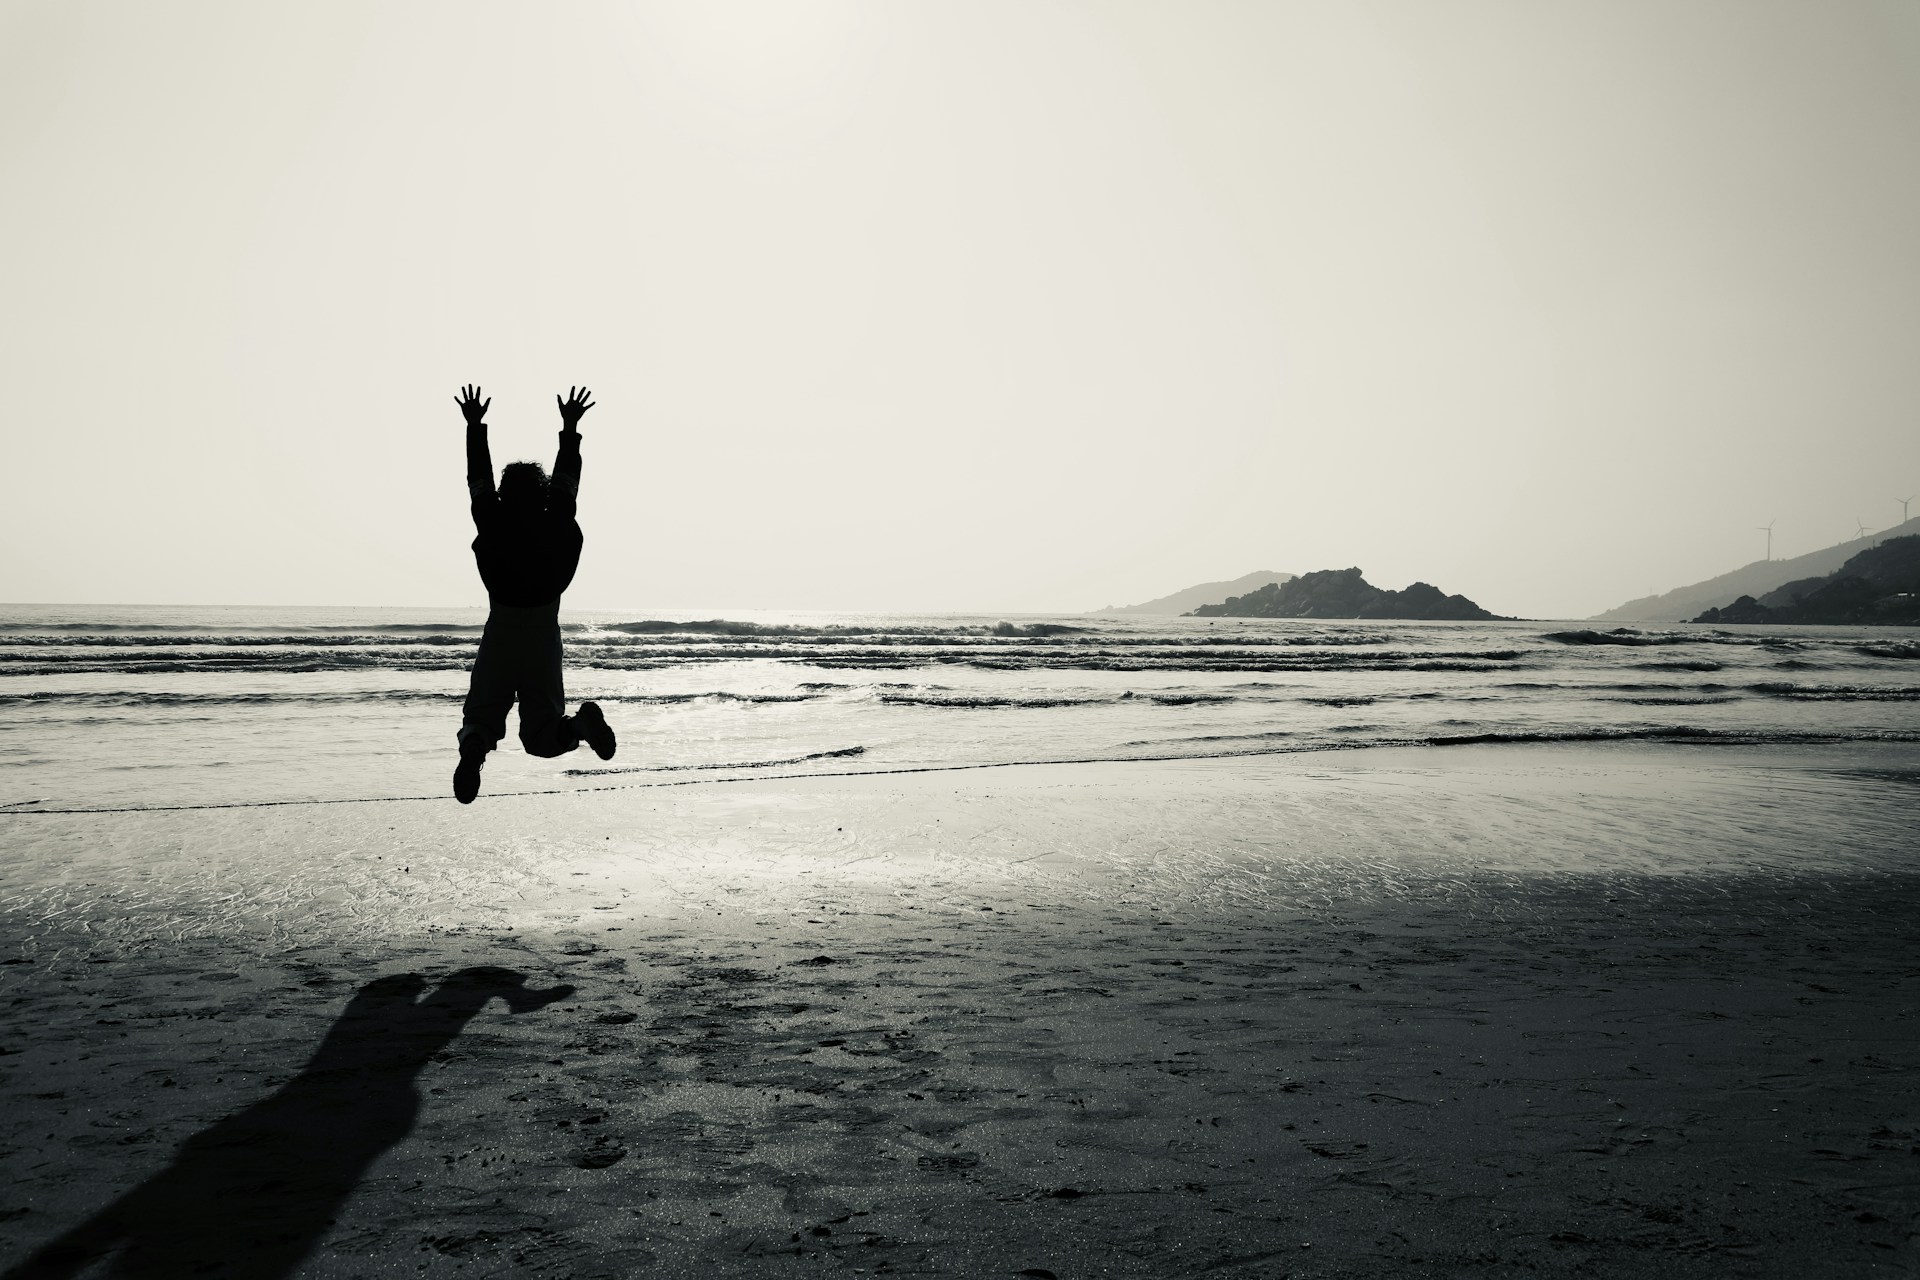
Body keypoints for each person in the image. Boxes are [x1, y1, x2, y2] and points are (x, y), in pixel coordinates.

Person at [452, 384, 615, 803]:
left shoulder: (493, 520)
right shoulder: (554, 520)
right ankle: (579, 727)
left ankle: (473, 751)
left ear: (506, 495)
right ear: (541, 493)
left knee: (482, 718)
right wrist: (570, 428)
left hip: (502, 632)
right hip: (542, 634)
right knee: (541, 736)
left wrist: (475, 427)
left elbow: (478, 479)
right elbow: (567, 479)